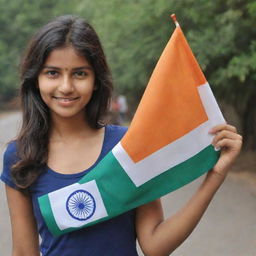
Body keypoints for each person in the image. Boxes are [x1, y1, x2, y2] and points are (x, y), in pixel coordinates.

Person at [0, 15, 242, 256]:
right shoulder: (20, 156)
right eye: (52, 73)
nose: (66, 86)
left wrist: (215, 176)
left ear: (96, 80)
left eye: (80, 74)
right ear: (36, 80)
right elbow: (23, 251)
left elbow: (154, 245)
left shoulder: (128, 146)